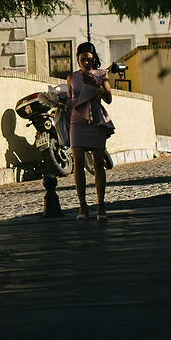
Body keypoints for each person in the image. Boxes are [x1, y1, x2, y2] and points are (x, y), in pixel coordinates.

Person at [67, 41, 113, 220]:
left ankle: (101, 204)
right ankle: (83, 206)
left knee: (98, 162)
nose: (86, 63)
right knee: (78, 161)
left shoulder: (102, 75)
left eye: (89, 59)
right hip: (77, 122)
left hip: (95, 121)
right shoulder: (72, 77)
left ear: (94, 59)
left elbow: (108, 98)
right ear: (77, 60)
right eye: (83, 60)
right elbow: (71, 99)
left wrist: (97, 85)